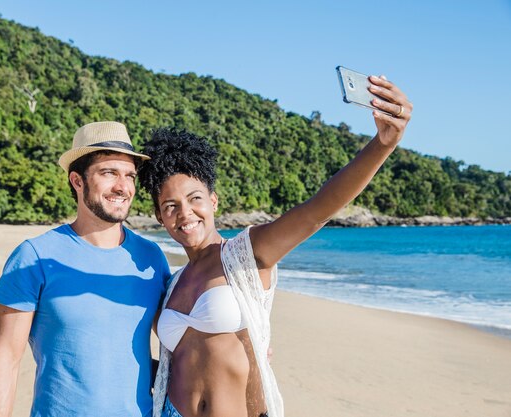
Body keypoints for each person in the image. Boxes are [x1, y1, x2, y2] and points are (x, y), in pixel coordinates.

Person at [138, 75, 412, 417]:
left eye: (194, 199)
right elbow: (177, 360)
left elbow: (316, 211)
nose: (184, 213)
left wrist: (382, 144)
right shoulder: (172, 283)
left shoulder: (246, 256)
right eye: (170, 206)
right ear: (160, 217)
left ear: (213, 201)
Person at [0, 121, 171, 417]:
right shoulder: (34, 257)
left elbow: (178, 336)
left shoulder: (150, 258)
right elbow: (5, 359)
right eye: (109, 173)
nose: (123, 187)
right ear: (77, 181)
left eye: (129, 176)